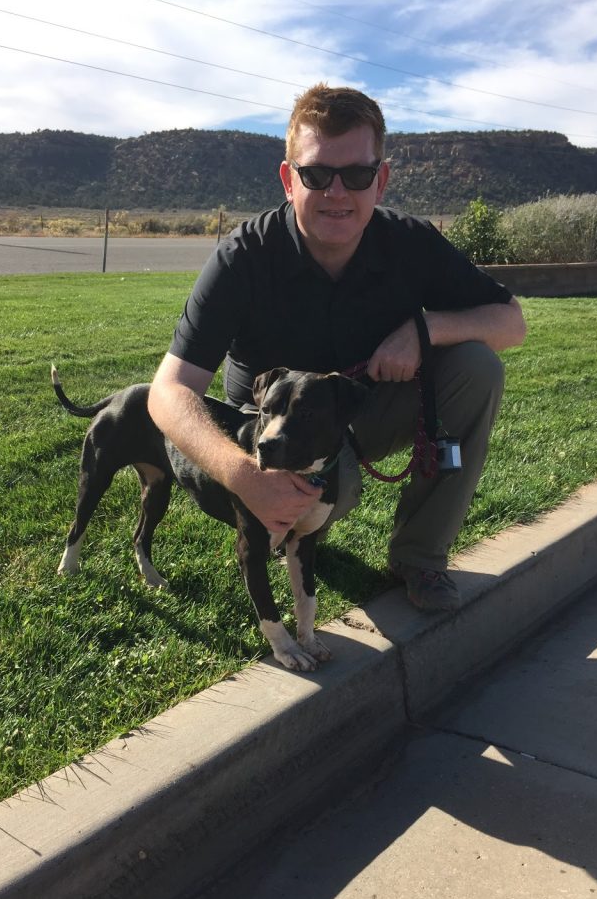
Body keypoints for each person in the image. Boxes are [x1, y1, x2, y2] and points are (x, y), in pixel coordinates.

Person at [148, 83, 526, 613]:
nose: (337, 193)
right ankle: (285, 516)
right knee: (333, 483)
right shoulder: (243, 257)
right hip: (268, 433)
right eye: (316, 174)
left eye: (357, 175)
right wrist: (244, 474)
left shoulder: (409, 243)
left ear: (382, 179)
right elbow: (168, 392)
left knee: (476, 365)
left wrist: (422, 331)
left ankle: (419, 556)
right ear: (288, 179)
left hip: (358, 413)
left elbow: (511, 321)